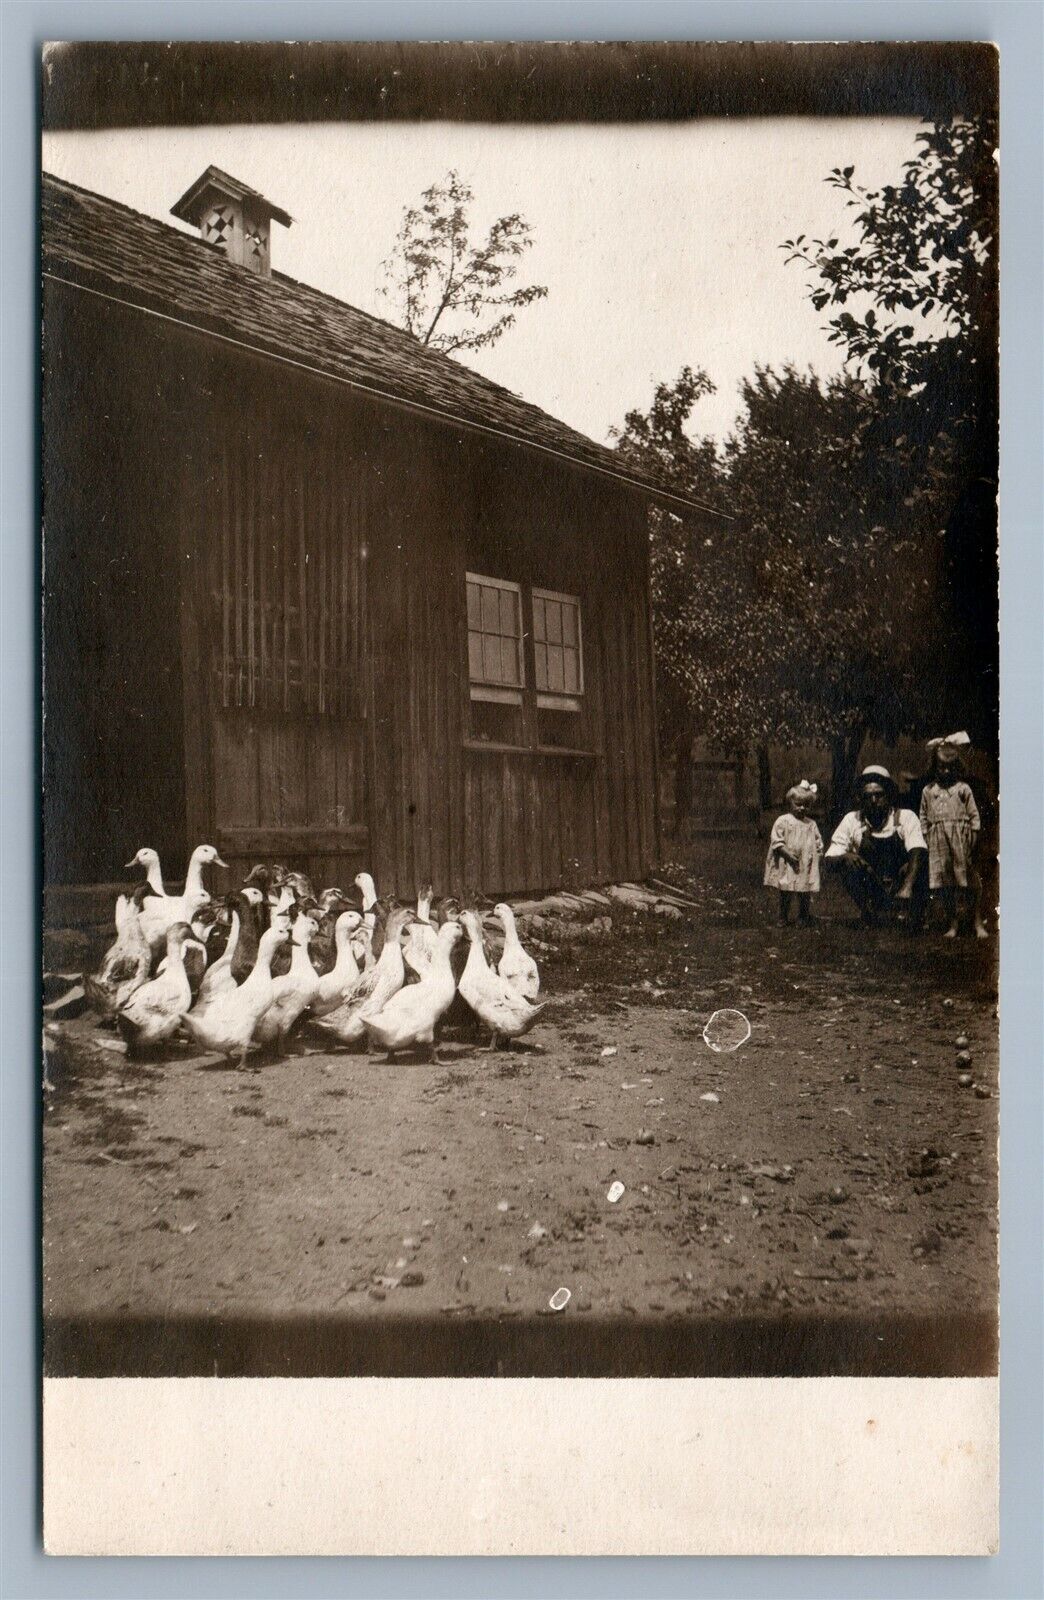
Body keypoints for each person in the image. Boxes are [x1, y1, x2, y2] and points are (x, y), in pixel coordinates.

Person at [825, 766, 927, 927]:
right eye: (867, 796)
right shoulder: (852, 819)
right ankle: (868, 913)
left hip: (901, 885)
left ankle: (911, 914)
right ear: (860, 798)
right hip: (872, 885)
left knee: (919, 862)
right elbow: (829, 859)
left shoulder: (905, 817)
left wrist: (907, 886)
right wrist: (845, 857)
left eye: (879, 795)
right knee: (848, 863)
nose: (873, 801)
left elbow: (918, 849)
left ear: (889, 795)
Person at [919, 733, 988, 938]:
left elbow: (974, 815)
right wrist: (926, 835)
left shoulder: (962, 789)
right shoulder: (929, 791)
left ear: (957, 767)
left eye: (950, 767)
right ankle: (953, 923)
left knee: (967, 880)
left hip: (960, 839)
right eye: (942, 767)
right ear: (935, 767)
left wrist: (973, 834)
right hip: (938, 841)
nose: (946, 771)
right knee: (946, 884)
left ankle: (977, 921)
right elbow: (923, 816)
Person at [764, 780, 824, 925]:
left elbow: (818, 842)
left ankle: (803, 916)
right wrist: (788, 854)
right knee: (786, 890)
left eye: (806, 805)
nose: (802, 808)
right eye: (798, 804)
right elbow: (777, 841)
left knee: (804, 891)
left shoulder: (811, 824)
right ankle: (783, 916)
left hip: (805, 862)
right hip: (787, 862)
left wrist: (817, 854)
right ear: (790, 803)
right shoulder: (783, 821)